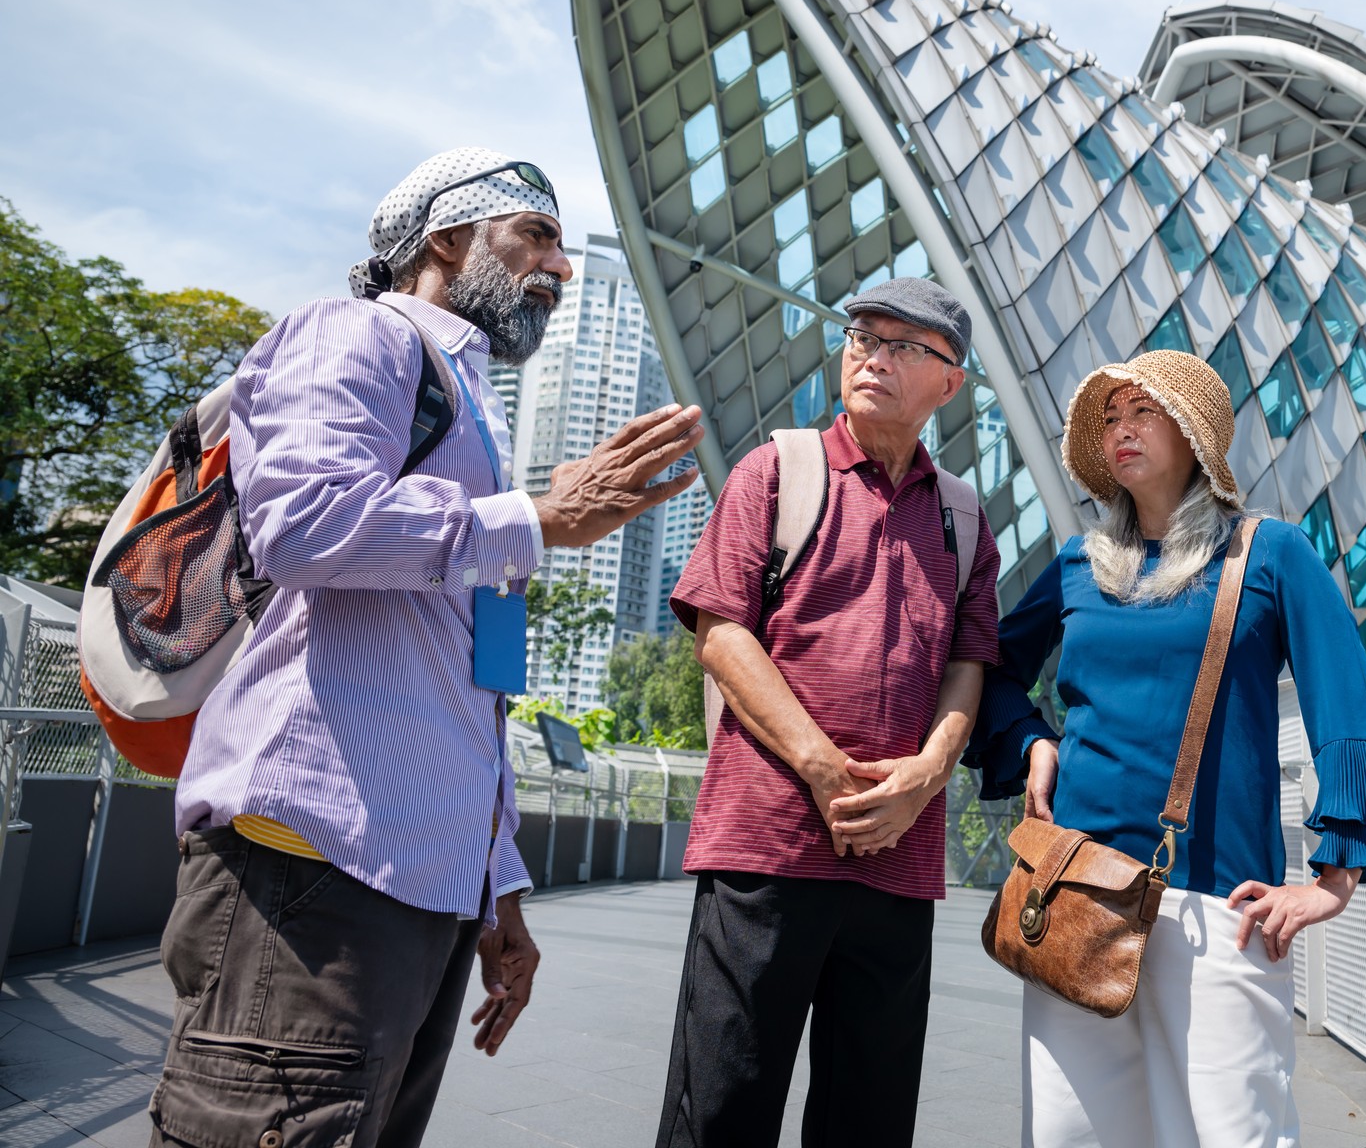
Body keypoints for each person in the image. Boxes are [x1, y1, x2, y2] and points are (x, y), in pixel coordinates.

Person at [148, 148, 706, 1148]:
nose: (561, 268)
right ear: (449, 237)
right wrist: (534, 517)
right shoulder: (357, 332)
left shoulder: (472, 401)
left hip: (423, 895)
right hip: (307, 869)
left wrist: (498, 890)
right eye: (535, 235)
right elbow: (305, 524)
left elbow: (474, 683)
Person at [965, 350, 1366, 1148]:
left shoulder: (1267, 554)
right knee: (1069, 1136)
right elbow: (990, 670)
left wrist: (1333, 878)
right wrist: (1033, 744)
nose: (1121, 430)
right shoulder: (1077, 566)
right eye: (1109, 418)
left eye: (1143, 412)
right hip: (1074, 893)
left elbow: (1344, 701)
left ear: (1195, 433)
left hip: (1218, 907)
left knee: (1229, 1135)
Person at [657, 277, 1001, 1148]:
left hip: (900, 862)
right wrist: (820, 766)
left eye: (903, 346)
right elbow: (722, 634)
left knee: (869, 1122)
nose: (872, 356)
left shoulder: (963, 517)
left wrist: (927, 776)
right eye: (862, 337)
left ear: (949, 382)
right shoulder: (776, 471)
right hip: (766, 851)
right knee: (721, 1112)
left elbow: (970, 664)